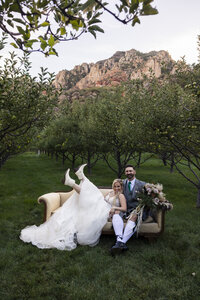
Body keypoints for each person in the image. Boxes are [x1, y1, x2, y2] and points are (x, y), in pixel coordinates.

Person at [20, 164, 125, 251]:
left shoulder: (120, 195)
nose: (116, 188)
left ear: (121, 187)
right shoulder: (111, 192)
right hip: (101, 205)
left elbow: (124, 208)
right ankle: (77, 178)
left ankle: (75, 180)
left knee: (92, 193)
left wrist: (115, 208)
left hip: (106, 210)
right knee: (90, 193)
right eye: (115, 186)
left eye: (118, 186)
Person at [111, 164, 146, 255]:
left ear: (134, 172)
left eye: (130, 171)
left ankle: (121, 243)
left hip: (137, 209)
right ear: (125, 173)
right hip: (125, 208)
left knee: (134, 216)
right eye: (127, 171)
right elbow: (114, 188)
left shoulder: (143, 184)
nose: (129, 173)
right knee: (117, 212)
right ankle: (119, 240)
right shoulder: (122, 183)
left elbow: (150, 197)